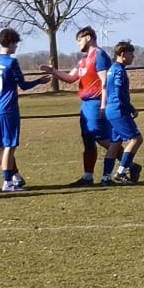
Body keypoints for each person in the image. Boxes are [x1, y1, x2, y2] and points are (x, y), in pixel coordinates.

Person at [0, 29, 49, 192]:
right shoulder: (11, 62)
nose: (16, 47)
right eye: (16, 44)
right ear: (12, 43)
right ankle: (8, 182)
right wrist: (39, 81)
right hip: (9, 109)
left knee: (4, 145)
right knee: (9, 146)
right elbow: (23, 85)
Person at [40, 26, 116, 187]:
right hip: (86, 105)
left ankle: (128, 164)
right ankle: (88, 177)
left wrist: (103, 105)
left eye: (79, 40)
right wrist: (53, 71)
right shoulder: (83, 61)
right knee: (88, 140)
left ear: (88, 37)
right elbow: (70, 78)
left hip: (96, 103)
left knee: (102, 139)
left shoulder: (99, 55)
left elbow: (106, 82)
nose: (78, 44)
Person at [106, 41, 144, 185]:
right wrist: (131, 108)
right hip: (118, 110)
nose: (133, 57)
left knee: (115, 143)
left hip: (111, 109)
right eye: (131, 54)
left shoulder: (111, 69)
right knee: (136, 139)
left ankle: (106, 177)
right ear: (122, 54)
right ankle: (121, 173)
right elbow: (119, 93)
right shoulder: (119, 71)